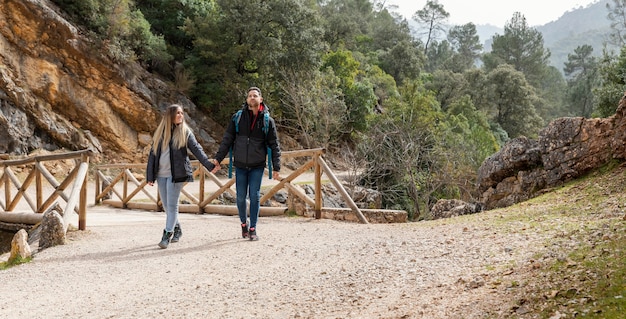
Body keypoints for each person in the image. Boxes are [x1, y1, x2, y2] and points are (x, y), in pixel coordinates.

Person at [211, 87, 281, 241]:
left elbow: (274, 144)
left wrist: (277, 167)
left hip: (257, 165)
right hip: (241, 165)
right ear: (247, 100)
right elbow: (227, 140)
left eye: (255, 95)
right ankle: (244, 223)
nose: (252, 98)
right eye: (249, 96)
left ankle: (253, 228)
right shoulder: (238, 118)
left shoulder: (268, 121)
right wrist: (218, 158)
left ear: (260, 99)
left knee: (255, 196)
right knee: (241, 197)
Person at [146, 104, 217, 249]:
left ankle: (167, 235)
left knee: (172, 206)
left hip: (176, 175)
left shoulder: (185, 132)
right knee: (166, 206)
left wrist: (209, 165)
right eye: (177, 113)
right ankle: (177, 229)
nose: (180, 115)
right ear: (170, 115)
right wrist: (150, 175)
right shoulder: (160, 133)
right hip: (161, 175)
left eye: (181, 113)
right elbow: (152, 155)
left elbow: (197, 149)